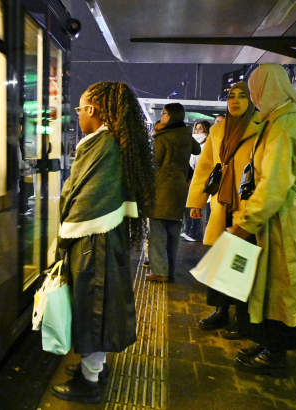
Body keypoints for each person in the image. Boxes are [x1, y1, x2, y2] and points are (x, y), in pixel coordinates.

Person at [52, 82, 156, 403]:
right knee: (99, 304)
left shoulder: (103, 144)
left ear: (93, 110)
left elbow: (86, 198)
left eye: (80, 109)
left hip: (92, 239)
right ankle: (94, 366)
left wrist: (62, 237)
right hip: (103, 236)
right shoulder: (111, 141)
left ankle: (89, 382)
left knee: (92, 306)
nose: (78, 116)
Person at [229, 64, 296, 375]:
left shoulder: (285, 123)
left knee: (284, 284)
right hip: (277, 218)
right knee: (270, 284)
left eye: (255, 89)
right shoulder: (280, 118)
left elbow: (274, 182)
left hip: (286, 219)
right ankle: (267, 342)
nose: (254, 97)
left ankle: (276, 353)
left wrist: (246, 221)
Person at [186, 82, 261, 339]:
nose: (235, 101)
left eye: (242, 96)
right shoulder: (218, 129)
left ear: (252, 100)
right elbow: (205, 166)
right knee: (219, 260)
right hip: (221, 204)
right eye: (231, 96)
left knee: (239, 263)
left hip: (245, 205)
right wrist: (197, 201)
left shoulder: (260, 126)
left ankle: (242, 319)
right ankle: (221, 310)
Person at [145, 103, 201, 282]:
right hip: (179, 190)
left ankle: (159, 271)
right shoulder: (185, 135)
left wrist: (155, 135)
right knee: (173, 233)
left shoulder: (162, 137)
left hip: (161, 189)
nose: (161, 116)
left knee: (157, 233)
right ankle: (169, 270)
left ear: (172, 116)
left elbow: (154, 163)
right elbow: (197, 149)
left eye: (164, 114)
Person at [182, 120, 211, 242]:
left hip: (202, 177)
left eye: (200, 128)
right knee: (192, 205)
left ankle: (197, 233)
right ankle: (191, 231)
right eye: (196, 128)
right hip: (194, 176)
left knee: (200, 206)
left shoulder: (208, 143)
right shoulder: (192, 142)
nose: (197, 131)